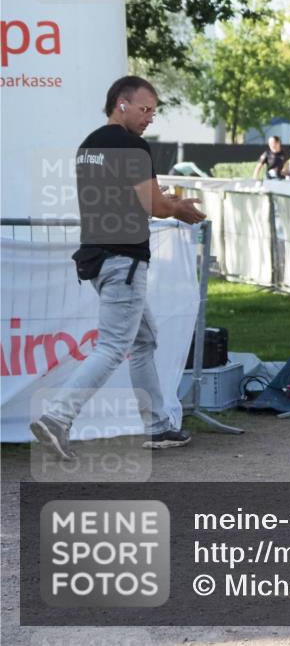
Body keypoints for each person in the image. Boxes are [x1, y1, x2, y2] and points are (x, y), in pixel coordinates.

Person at [30, 75, 206, 460]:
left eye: (153, 113)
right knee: (112, 346)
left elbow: (130, 198)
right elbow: (155, 206)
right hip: (124, 260)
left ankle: (158, 426)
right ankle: (57, 417)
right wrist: (179, 207)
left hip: (99, 257)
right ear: (121, 104)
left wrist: (166, 201)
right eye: (145, 110)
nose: (149, 119)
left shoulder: (88, 146)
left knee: (144, 340)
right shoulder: (131, 145)